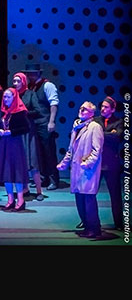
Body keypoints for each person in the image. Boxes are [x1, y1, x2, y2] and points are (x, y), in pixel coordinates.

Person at [57, 101, 104, 238]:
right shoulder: (77, 126)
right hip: (77, 169)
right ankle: (86, 226)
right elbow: (71, 149)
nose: (81, 110)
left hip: (88, 169)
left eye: (85, 109)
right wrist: (64, 163)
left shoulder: (95, 127)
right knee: (80, 199)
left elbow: (97, 150)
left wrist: (87, 163)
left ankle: (94, 229)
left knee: (88, 199)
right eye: (81, 108)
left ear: (92, 113)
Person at [17, 63, 61, 191]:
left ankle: (53, 179)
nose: (30, 75)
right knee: (38, 153)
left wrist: (51, 121)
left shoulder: (47, 85)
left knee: (48, 151)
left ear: (38, 73)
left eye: (33, 73)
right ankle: (43, 178)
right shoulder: (29, 87)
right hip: (33, 124)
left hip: (44, 122)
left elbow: (54, 103)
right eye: (28, 73)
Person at [0, 87, 31, 212]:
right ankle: (10, 200)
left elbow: (26, 128)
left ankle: (20, 200)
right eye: (4, 97)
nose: (5, 99)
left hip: (15, 144)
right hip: (4, 143)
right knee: (6, 172)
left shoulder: (20, 111)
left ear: (14, 98)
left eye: (8, 97)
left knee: (17, 172)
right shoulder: (2, 110)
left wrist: (11, 132)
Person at [11, 73, 44, 201]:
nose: (15, 84)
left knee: (32, 161)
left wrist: (24, 113)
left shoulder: (30, 94)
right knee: (20, 161)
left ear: (23, 82)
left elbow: (38, 111)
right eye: (14, 81)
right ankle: (24, 189)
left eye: (18, 81)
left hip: (28, 132)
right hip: (17, 131)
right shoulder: (12, 95)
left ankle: (39, 191)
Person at [96, 96, 124, 231]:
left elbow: (117, 137)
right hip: (96, 163)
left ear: (112, 110)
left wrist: (100, 134)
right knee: (90, 194)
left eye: (106, 107)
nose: (102, 109)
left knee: (115, 195)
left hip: (111, 164)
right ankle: (89, 221)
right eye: (102, 106)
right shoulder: (95, 121)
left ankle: (119, 223)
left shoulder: (119, 122)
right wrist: (108, 133)